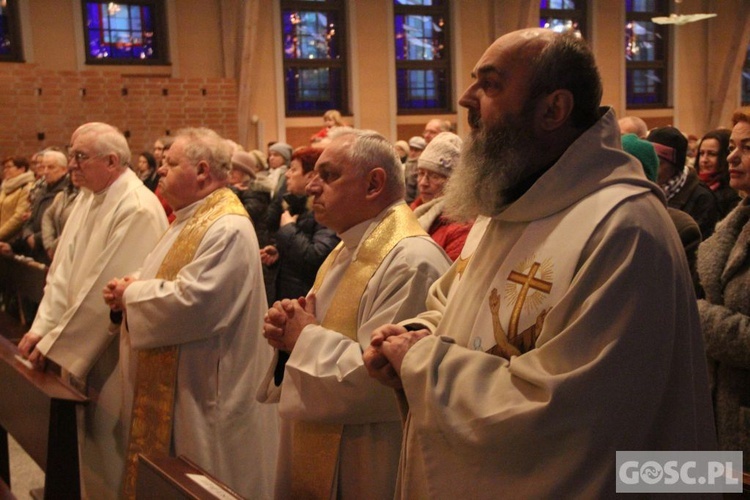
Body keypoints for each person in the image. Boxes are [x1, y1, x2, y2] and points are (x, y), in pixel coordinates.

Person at [364, 28, 716, 498]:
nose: (467, 99)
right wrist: (419, 334)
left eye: (489, 84)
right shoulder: (510, 205)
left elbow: (571, 414)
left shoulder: (623, 227)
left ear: (553, 109)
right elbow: (456, 305)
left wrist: (421, 363)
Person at [257, 129, 451, 499]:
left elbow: (380, 380)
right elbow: (312, 331)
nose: (312, 187)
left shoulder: (412, 261)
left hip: (369, 455)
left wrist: (304, 338)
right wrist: (287, 336)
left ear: (374, 183)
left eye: (328, 175)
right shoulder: (345, 248)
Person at [103, 127, 278, 499]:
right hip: (186, 381)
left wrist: (131, 294)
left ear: (201, 171)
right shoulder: (189, 218)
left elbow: (196, 302)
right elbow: (167, 273)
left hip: (207, 388)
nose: (160, 170)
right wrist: (132, 284)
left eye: (170, 162)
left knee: (205, 479)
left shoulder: (226, 226)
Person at [17, 122, 168, 498]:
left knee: (109, 443)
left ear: (112, 161)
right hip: (78, 342)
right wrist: (43, 327)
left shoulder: (135, 206)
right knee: (86, 447)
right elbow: (62, 271)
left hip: (110, 349)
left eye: (80, 156)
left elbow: (103, 292)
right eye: (71, 154)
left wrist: (56, 342)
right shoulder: (90, 196)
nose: (71, 164)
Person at [696, 108, 750, 474]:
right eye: (732, 146)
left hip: (742, 438)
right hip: (715, 417)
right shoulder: (737, 219)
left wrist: (694, 315)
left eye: (747, 147)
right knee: (628, 476)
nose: (732, 156)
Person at [260, 146, 339, 301]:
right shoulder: (298, 204)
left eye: (293, 170)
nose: (288, 174)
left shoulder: (324, 209)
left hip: (308, 300)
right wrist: (279, 252)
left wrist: (288, 229)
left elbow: (316, 257)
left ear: (310, 176)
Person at [648, 126, 720, 239]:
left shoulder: (702, 198)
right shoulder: (646, 190)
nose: (650, 168)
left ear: (675, 166)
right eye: (648, 161)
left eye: (658, 163)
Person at [410, 131, 472, 261]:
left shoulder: (460, 228)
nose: (423, 183)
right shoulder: (413, 211)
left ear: (453, 183)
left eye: (434, 176)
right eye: (421, 173)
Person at [2, 150, 70, 265]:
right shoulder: (41, 189)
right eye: (44, 167)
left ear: (64, 169)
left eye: (51, 167)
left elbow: (57, 223)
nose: (46, 172)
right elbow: (30, 217)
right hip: (33, 248)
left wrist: (36, 238)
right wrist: (28, 235)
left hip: (50, 249)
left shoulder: (66, 192)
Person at [696, 128, 740, 218]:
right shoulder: (693, 187)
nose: (704, 160)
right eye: (701, 153)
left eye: (712, 154)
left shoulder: (734, 195)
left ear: (726, 156)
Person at [0, 156, 34, 242]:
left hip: (14, 239)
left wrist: (1, 233)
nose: (5, 170)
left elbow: (19, 217)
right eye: (4, 167)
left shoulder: (27, 187)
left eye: (9, 167)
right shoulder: (6, 187)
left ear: (22, 169)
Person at [403, 136, 426, 204]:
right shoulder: (407, 164)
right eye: (411, 149)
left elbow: (419, 192)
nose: (413, 153)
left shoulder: (422, 167)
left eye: (416, 150)